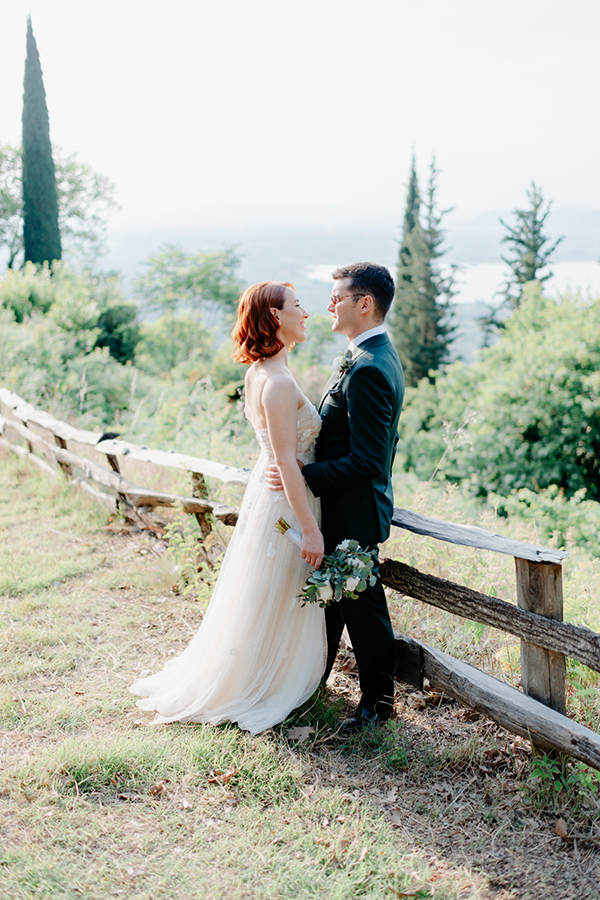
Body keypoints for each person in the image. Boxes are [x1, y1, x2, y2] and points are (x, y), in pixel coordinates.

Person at [130, 282, 326, 734]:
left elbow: (279, 452)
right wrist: (310, 529)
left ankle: (257, 669)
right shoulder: (275, 381)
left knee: (265, 590)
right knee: (273, 588)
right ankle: (259, 681)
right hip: (285, 500)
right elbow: (284, 463)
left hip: (273, 490)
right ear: (276, 316)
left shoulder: (263, 371)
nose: (306, 314)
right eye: (298, 306)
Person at [267, 262, 404, 732]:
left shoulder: (367, 369)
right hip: (347, 504)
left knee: (364, 611)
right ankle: (313, 682)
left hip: (354, 509)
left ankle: (377, 708)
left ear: (364, 304)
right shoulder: (370, 355)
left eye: (337, 297)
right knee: (338, 603)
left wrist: (308, 473)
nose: (327, 305)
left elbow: (368, 459)